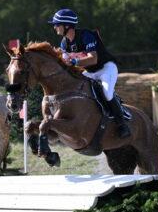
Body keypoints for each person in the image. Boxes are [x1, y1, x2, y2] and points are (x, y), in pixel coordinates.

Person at [48, 8, 131, 138]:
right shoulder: (64, 43)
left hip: (105, 68)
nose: (55, 27)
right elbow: (66, 63)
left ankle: (122, 124)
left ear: (67, 25)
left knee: (107, 93)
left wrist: (75, 61)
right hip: (90, 72)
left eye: (57, 24)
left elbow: (93, 59)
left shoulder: (86, 36)